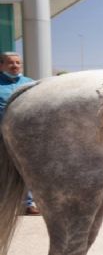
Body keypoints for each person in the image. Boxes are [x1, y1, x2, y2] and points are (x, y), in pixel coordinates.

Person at [0, 52, 39, 216]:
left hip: (24, 136)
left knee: (26, 169)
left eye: (18, 63)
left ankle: (28, 204)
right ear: (1, 66)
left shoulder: (29, 84)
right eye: (11, 63)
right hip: (1, 135)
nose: (15, 66)